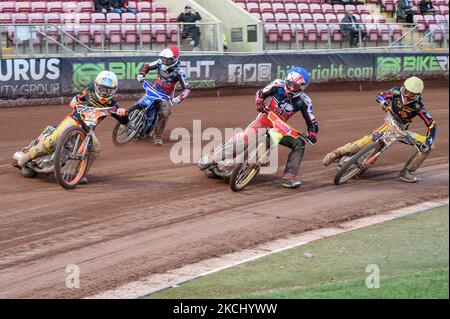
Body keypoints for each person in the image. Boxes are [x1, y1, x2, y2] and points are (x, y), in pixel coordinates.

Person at [198, 67, 319, 189]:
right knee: (243, 141)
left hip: (279, 129)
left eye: (296, 87)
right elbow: (261, 93)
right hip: (264, 119)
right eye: (290, 84)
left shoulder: (305, 101)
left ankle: (288, 178)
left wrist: (313, 132)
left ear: (303, 87)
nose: (292, 89)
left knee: (299, 144)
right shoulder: (277, 85)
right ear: (285, 81)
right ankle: (210, 159)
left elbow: (311, 120)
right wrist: (259, 102)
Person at [17, 71, 129, 184]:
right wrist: (75, 102)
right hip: (74, 120)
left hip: (88, 129)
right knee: (52, 141)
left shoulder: (113, 105)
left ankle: (79, 174)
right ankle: (27, 156)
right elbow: (74, 100)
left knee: (96, 148)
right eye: (102, 89)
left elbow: (124, 121)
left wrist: (124, 114)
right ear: (96, 86)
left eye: (108, 91)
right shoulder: (88, 92)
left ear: (114, 91)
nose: (104, 93)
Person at [322, 77, 437, 183]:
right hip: (390, 124)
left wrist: (429, 141)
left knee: (430, 147)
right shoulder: (396, 92)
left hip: (403, 132)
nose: (407, 96)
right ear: (403, 88)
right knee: (366, 141)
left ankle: (407, 172)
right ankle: (335, 154)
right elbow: (380, 95)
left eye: (411, 95)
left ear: (417, 95)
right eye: (406, 91)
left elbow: (432, 124)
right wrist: (383, 102)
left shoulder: (419, 107)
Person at [136, 46, 191, 146]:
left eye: (168, 59)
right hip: (154, 90)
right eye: (164, 58)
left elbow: (187, 89)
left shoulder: (179, 72)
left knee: (165, 113)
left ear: (174, 59)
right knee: (140, 104)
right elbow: (147, 66)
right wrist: (141, 74)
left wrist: (178, 98)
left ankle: (157, 136)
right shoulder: (159, 63)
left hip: (166, 96)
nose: (165, 60)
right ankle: (129, 120)